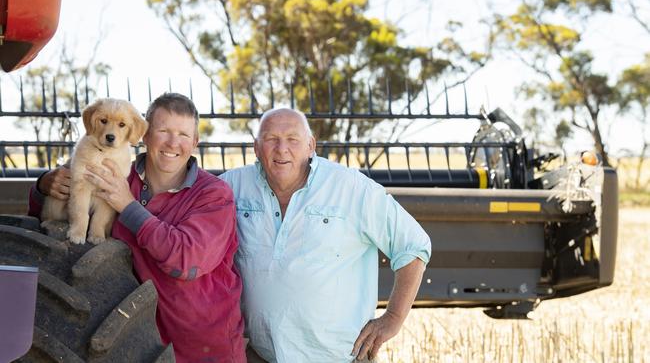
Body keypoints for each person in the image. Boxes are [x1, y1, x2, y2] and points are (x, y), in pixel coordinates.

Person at [28, 93, 246, 363]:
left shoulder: (214, 194)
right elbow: (51, 220)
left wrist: (127, 206)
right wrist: (44, 186)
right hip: (131, 342)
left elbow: (186, 260)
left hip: (199, 348)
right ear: (144, 135)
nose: (172, 143)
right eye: (163, 131)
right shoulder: (116, 172)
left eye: (183, 134)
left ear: (195, 142)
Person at [219, 108, 431, 362]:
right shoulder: (232, 187)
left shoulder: (350, 187)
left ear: (311, 146)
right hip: (262, 355)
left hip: (339, 357)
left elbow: (413, 246)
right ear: (256, 147)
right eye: (271, 139)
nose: (281, 148)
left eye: (292, 139)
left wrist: (393, 319)